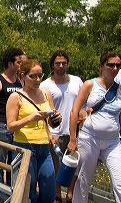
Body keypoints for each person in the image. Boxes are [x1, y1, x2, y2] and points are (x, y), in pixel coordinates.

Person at [68, 51, 121, 202]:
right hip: (90, 138)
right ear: (101, 67)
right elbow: (75, 111)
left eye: (117, 65)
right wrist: (73, 139)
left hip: (113, 142)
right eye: (110, 65)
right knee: (83, 180)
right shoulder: (90, 84)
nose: (114, 68)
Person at [6, 59, 61, 203]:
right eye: (33, 76)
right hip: (24, 148)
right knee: (28, 192)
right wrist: (31, 118)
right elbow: (10, 126)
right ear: (23, 76)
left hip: (44, 147)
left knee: (49, 189)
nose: (37, 80)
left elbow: (51, 122)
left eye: (40, 76)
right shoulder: (15, 97)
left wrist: (56, 119)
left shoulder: (46, 94)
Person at [40, 50, 83, 202]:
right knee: (55, 167)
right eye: (57, 63)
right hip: (55, 132)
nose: (61, 65)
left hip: (74, 133)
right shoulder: (45, 85)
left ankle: (70, 194)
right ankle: (57, 195)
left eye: (64, 63)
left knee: (74, 166)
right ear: (52, 65)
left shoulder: (77, 81)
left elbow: (82, 105)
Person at [0, 47, 24, 185]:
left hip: (16, 126)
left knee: (15, 160)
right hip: (2, 125)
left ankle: (12, 189)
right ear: (10, 64)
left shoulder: (20, 81)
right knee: (1, 160)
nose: (20, 65)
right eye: (18, 62)